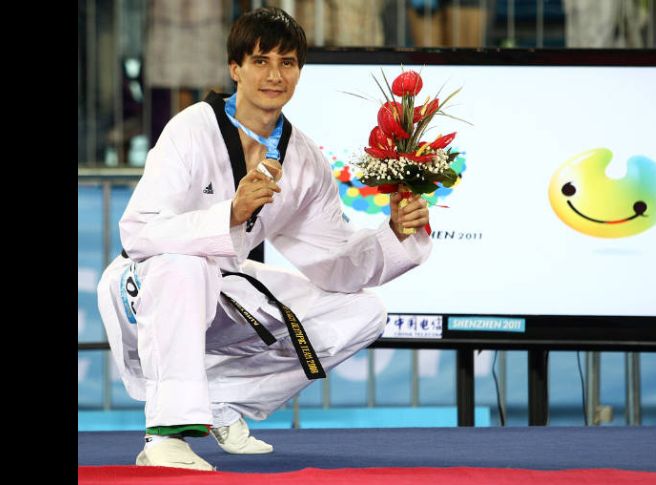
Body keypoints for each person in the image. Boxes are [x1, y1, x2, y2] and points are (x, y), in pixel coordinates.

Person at [96, 6, 432, 471]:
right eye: (260, 60)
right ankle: (165, 435)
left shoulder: (304, 158)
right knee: (184, 265)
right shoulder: (191, 129)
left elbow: (335, 262)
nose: (275, 74)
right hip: (145, 287)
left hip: (225, 287)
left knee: (363, 311)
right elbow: (138, 233)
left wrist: (394, 233)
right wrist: (231, 213)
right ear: (236, 69)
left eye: (287, 62)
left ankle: (219, 401)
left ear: (299, 72)